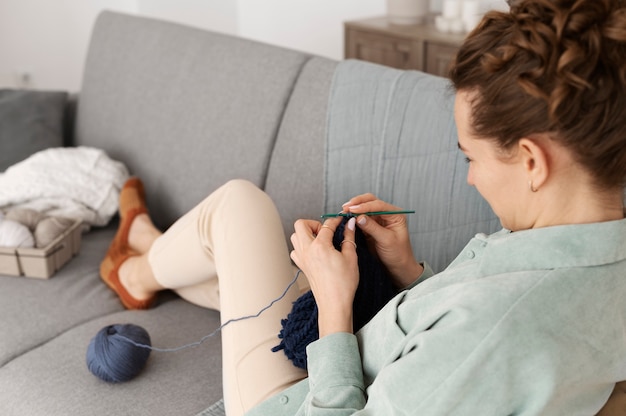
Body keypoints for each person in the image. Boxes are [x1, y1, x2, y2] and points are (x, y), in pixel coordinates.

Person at [100, 0, 626, 414]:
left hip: (302, 399)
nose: (470, 178)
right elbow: (451, 349)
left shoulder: (493, 332)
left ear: (533, 161)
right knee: (259, 258)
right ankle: (149, 248)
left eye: (470, 156)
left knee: (239, 205)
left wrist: (332, 303)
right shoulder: (595, 262)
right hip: (364, 355)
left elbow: (469, 345)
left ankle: (138, 271)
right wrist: (409, 272)